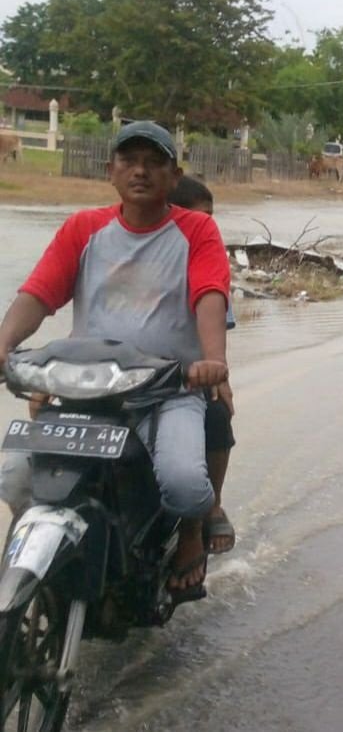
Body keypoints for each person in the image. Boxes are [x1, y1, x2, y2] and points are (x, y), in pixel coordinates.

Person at [0, 121, 229, 595]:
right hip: (85, 384)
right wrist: (3, 344)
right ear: (111, 171)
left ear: (174, 174)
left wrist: (213, 359)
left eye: (154, 162)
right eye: (129, 160)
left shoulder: (197, 229)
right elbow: (39, 294)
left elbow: (210, 293)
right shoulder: (83, 227)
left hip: (166, 387)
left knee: (184, 482)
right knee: (15, 476)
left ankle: (190, 536)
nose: (140, 171)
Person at [167, 175, 237, 555]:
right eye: (201, 217)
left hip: (185, 376)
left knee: (216, 415)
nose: (209, 226)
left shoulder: (210, 260)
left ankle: (209, 507)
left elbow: (217, 329)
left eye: (212, 217)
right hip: (123, 375)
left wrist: (219, 373)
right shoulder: (126, 247)